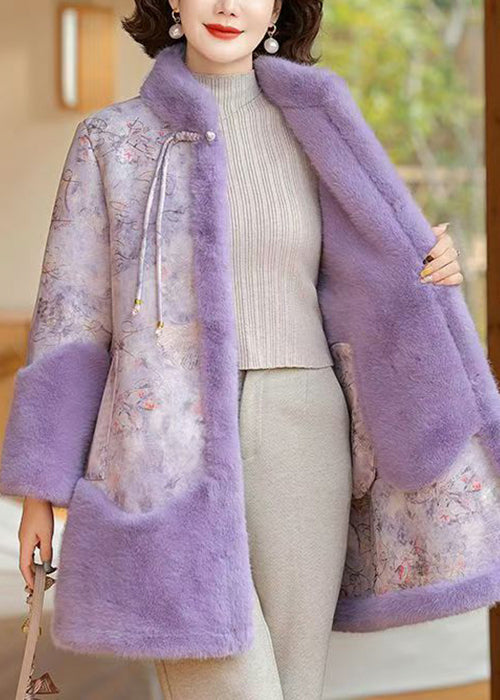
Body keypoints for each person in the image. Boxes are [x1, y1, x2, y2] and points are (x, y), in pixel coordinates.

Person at [3, 1, 479, 699]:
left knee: (294, 686)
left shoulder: (320, 126)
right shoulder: (112, 141)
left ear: (278, 8)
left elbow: (371, 273)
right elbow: (70, 319)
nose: (229, 5)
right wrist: (40, 491)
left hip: (305, 430)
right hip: (163, 447)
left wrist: (430, 264)